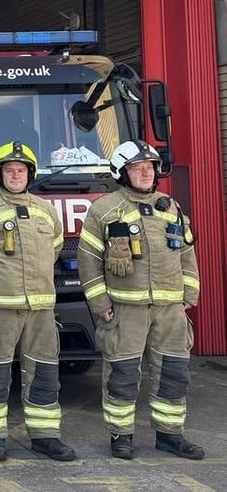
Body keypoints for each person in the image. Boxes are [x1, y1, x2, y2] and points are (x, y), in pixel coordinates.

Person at [78, 140, 204, 460]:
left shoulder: (169, 206)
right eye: (137, 168)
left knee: (174, 373)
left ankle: (170, 435)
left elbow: (185, 252)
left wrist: (189, 294)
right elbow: (88, 261)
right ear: (122, 172)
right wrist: (100, 304)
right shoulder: (104, 210)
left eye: (150, 167)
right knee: (122, 375)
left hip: (170, 310)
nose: (146, 173)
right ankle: (121, 436)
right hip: (125, 310)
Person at [0, 141, 76, 462]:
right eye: (9, 170)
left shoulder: (46, 210)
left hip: (40, 310)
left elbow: (54, 249)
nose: (15, 175)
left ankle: (45, 437)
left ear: (30, 174)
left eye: (21, 171)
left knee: (46, 374)